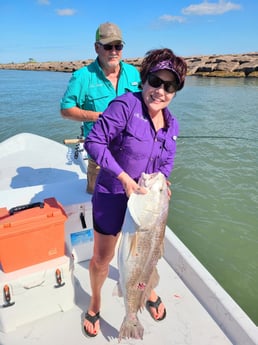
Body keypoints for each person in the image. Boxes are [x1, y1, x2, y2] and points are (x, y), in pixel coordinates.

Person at [84, 48, 187, 337]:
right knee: (103, 258)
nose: (160, 91)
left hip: (147, 203)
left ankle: (146, 291)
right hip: (113, 194)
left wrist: (164, 181)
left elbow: (166, 162)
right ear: (144, 80)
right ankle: (95, 303)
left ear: (176, 91)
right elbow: (95, 142)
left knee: (147, 256)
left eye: (170, 86)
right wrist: (123, 178)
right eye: (155, 81)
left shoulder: (172, 124)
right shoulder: (125, 106)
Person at [60, 22, 141, 193]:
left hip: (130, 155)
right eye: (108, 46)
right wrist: (99, 116)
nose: (113, 51)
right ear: (97, 48)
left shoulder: (134, 73)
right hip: (99, 158)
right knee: (97, 204)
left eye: (118, 46)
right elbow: (66, 110)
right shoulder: (82, 76)